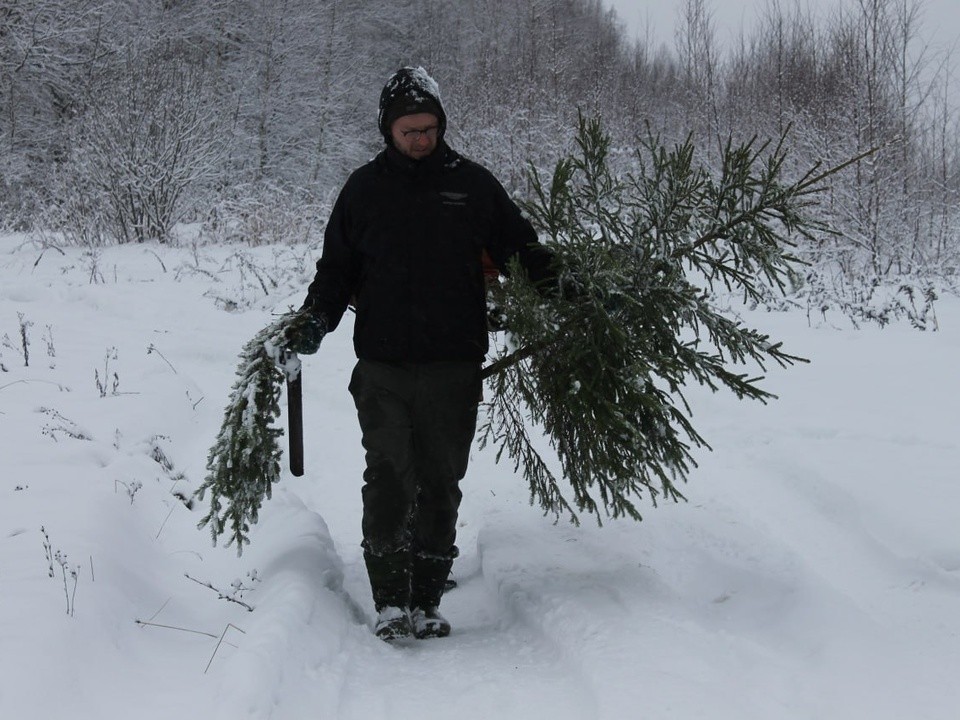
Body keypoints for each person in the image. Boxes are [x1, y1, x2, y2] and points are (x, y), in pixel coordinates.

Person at [282, 66, 556, 641]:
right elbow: (336, 272)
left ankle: (427, 597)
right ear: (388, 129)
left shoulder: (473, 187)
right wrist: (314, 321)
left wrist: (574, 291)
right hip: (382, 364)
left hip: (454, 366)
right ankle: (388, 599)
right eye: (409, 129)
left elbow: (523, 253)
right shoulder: (363, 190)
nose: (420, 139)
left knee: (441, 480)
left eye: (428, 128)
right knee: (388, 476)